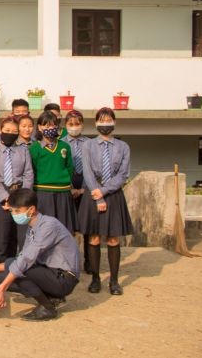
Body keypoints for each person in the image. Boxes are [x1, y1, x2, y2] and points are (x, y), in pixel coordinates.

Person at [0, 188, 80, 322]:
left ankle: (47, 307)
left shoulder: (48, 225)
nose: (14, 215)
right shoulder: (32, 227)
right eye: (12, 211)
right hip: (49, 272)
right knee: (0, 278)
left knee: (22, 269)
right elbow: (21, 258)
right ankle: (52, 297)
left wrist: (2, 289)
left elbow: (26, 260)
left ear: (31, 210)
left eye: (17, 211)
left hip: (64, 278)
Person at [79, 107, 133, 296]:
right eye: (101, 120)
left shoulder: (123, 147)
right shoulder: (88, 145)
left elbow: (123, 174)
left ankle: (114, 281)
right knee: (94, 237)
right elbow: (87, 171)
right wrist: (98, 194)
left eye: (109, 120)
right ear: (95, 124)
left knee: (112, 238)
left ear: (114, 122)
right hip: (93, 192)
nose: (105, 124)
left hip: (113, 194)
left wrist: (103, 191)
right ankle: (95, 278)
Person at [0, 117, 34, 263]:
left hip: (19, 194)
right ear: (0, 130)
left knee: (18, 235)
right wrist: (6, 198)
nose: (10, 133)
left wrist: (22, 198)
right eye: (7, 130)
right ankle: (1, 269)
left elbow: (28, 174)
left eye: (14, 131)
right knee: (2, 236)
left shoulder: (23, 150)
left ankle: (16, 268)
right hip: (1, 196)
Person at [30, 111, 76, 236]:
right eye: (46, 126)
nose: (49, 129)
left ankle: (63, 256)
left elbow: (69, 167)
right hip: (42, 192)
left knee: (64, 230)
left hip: (63, 192)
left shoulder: (64, 146)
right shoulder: (34, 148)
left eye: (52, 126)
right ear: (39, 127)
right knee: (44, 231)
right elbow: (31, 170)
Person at [63, 109, 91, 273]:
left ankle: (89, 260)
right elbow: (61, 168)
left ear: (82, 125)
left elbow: (93, 168)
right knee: (69, 226)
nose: (74, 127)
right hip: (67, 183)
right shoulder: (61, 144)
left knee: (87, 225)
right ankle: (70, 260)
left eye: (77, 124)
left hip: (86, 182)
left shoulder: (89, 143)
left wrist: (83, 189)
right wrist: (71, 187)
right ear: (65, 125)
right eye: (70, 124)